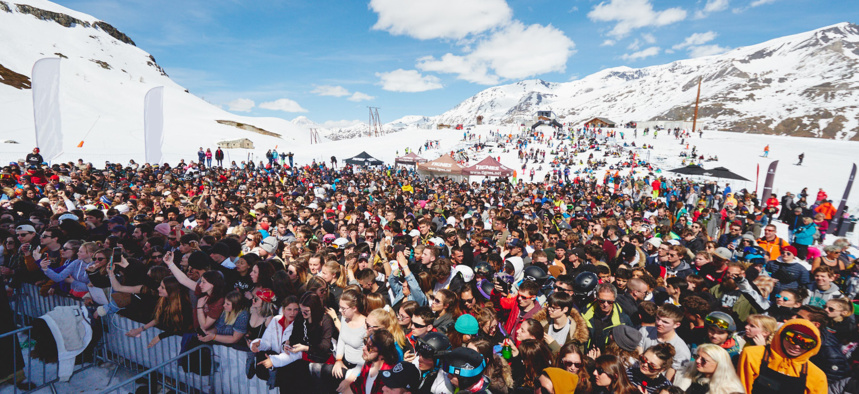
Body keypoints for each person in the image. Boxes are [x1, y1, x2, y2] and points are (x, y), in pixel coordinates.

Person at [737, 318, 827, 394]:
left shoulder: (816, 375)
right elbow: (742, 388)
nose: (797, 346)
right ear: (781, 335)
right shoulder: (753, 354)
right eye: (792, 338)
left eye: (807, 343)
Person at [673, 344, 745, 394]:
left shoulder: (729, 389)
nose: (697, 361)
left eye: (703, 360)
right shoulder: (687, 372)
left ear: (718, 364)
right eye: (697, 356)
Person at [344, 330, 398, 394]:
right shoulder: (368, 364)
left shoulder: (389, 376)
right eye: (365, 343)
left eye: (369, 348)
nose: (364, 348)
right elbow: (356, 386)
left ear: (382, 354)